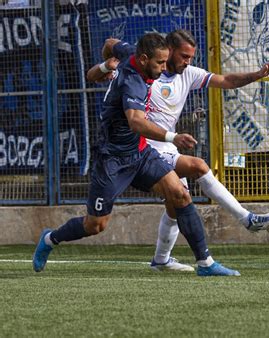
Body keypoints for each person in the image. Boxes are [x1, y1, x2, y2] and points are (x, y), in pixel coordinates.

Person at [33, 32, 240, 277]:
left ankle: (205, 263)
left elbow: (109, 43)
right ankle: (50, 239)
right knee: (95, 225)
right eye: (159, 64)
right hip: (112, 159)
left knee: (180, 195)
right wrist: (174, 137)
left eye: (165, 62)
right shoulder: (133, 82)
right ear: (143, 59)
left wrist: (105, 64)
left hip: (140, 152)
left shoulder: (129, 51)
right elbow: (136, 122)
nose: (164, 69)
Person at [87, 29, 269, 272]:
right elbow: (110, 44)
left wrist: (257, 75)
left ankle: (161, 260)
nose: (188, 61)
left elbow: (226, 81)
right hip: (146, 144)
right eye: (184, 56)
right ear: (168, 51)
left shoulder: (188, 74)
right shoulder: (144, 69)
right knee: (197, 167)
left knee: (177, 202)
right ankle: (246, 219)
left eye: (191, 57)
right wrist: (107, 65)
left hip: (167, 144)